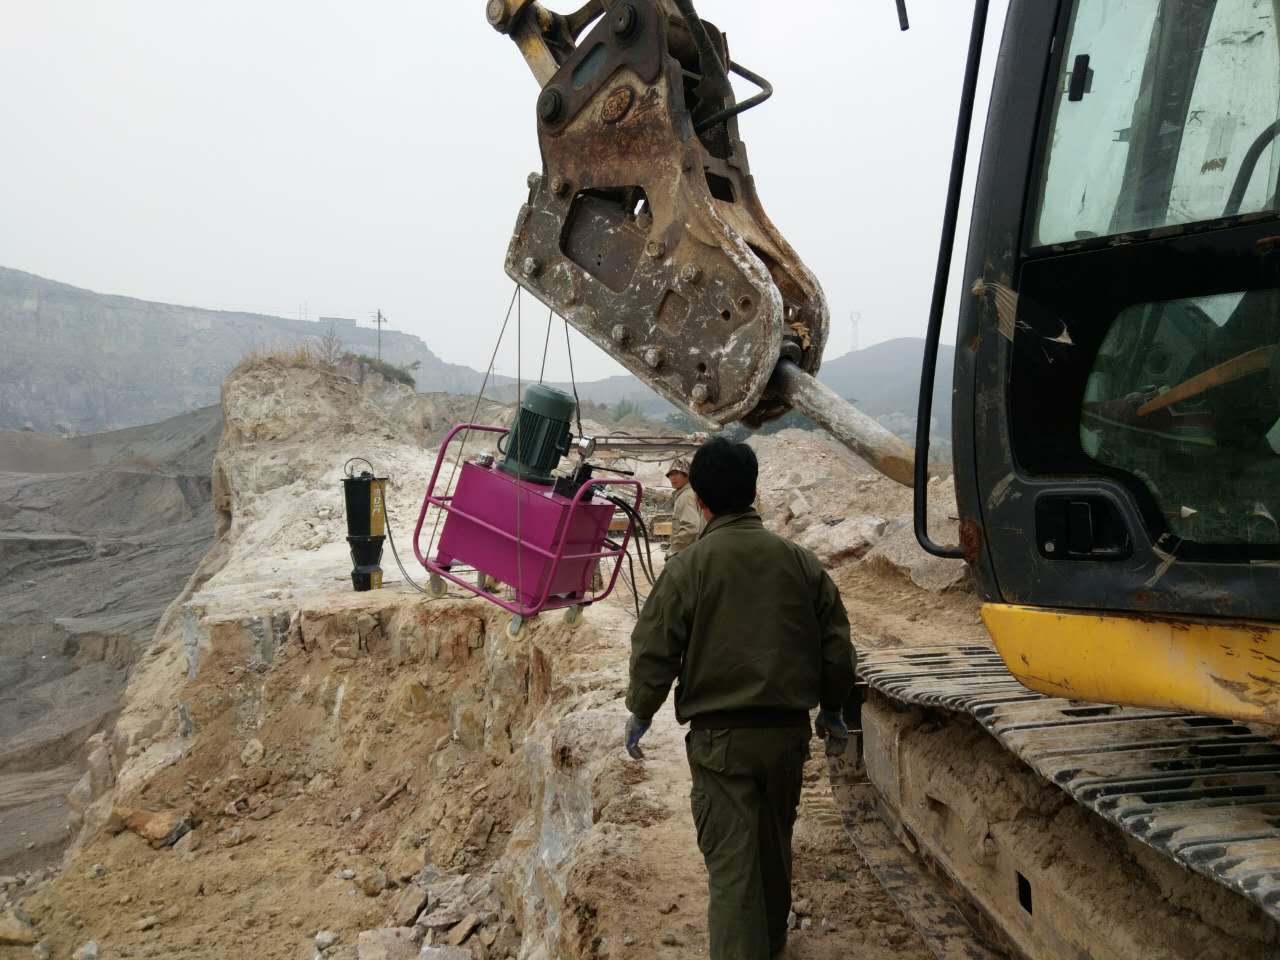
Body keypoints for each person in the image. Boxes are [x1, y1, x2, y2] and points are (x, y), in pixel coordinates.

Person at [624, 437, 855, 960]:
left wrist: (641, 710)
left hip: (721, 744)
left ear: (699, 500)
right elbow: (837, 647)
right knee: (773, 850)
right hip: (787, 738)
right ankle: (772, 945)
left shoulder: (688, 567)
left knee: (733, 869)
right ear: (755, 493)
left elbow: (655, 648)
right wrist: (833, 709)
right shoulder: (800, 562)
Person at [665, 456, 704, 557]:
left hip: (686, 554)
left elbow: (691, 527)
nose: (672, 478)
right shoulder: (690, 493)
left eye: (677, 474)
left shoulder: (686, 497)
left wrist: (673, 550)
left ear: (687, 475)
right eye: (670, 475)